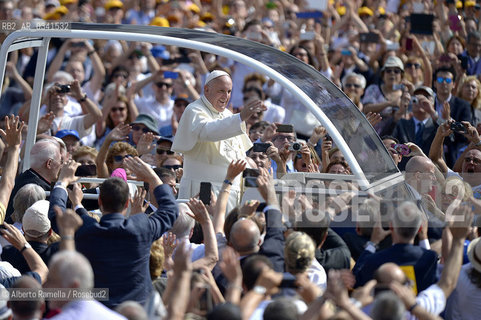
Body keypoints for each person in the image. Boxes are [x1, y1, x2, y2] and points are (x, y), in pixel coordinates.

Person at [48, 156, 178, 308]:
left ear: (100, 202)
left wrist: (62, 182)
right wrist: (152, 178)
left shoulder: (87, 229)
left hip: (97, 311)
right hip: (136, 312)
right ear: (127, 202)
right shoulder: (142, 227)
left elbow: (56, 215)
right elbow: (170, 210)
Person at [172, 70, 265, 210]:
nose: (225, 96)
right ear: (206, 89)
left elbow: (239, 152)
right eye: (221, 91)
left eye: (229, 91)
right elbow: (207, 131)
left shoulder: (228, 114)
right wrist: (240, 117)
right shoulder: (194, 110)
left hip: (231, 191)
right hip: (202, 191)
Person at [353, 202, 438, 292]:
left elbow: (355, 279)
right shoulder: (430, 258)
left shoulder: (375, 260)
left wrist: (372, 243)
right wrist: (423, 237)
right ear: (420, 229)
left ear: (391, 226)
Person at [6, 138, 62, 222]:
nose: (61, 165)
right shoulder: (38, 189)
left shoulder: (21, 179)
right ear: (49, 163)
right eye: (60, 161)